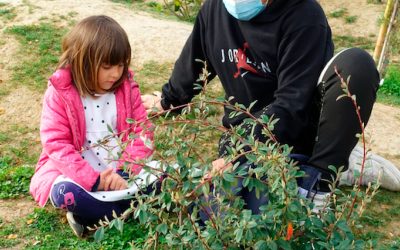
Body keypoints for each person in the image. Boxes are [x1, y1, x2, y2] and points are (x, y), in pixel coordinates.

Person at [142, 0, 384, 214]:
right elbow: (192, 66)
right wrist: (167, 101)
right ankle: (347, 164)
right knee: (240, 212)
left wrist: (238, 153)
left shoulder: (304, 16)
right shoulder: (215, 10)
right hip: (246, 139)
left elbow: (291, 104)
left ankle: (320, 180)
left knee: (357, 66)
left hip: (301, 135)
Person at [30, 15, 153, 237]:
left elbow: (142, 132)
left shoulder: (126, 87)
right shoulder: (60, 92)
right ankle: (127, 208)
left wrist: (125, 172)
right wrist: (94, 180)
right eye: (107, 66)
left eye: (121, 65)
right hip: (77, 176)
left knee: (164, 175)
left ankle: (97, 214)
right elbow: (56, 143)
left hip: (122, 173)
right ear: (82, 62)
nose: (116, 73)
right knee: (64, 192)